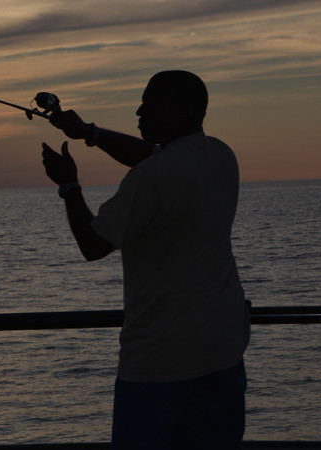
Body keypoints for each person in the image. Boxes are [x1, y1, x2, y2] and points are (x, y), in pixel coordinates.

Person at [40, 70, 250, 449]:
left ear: (187, 111)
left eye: (152, 105)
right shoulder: (220, 154)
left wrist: (69, 185)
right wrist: (90, 132)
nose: (140, 111)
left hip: (159, 361)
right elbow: (152, 155)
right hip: (223, 348)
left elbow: (93, 244)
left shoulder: (151, 177)